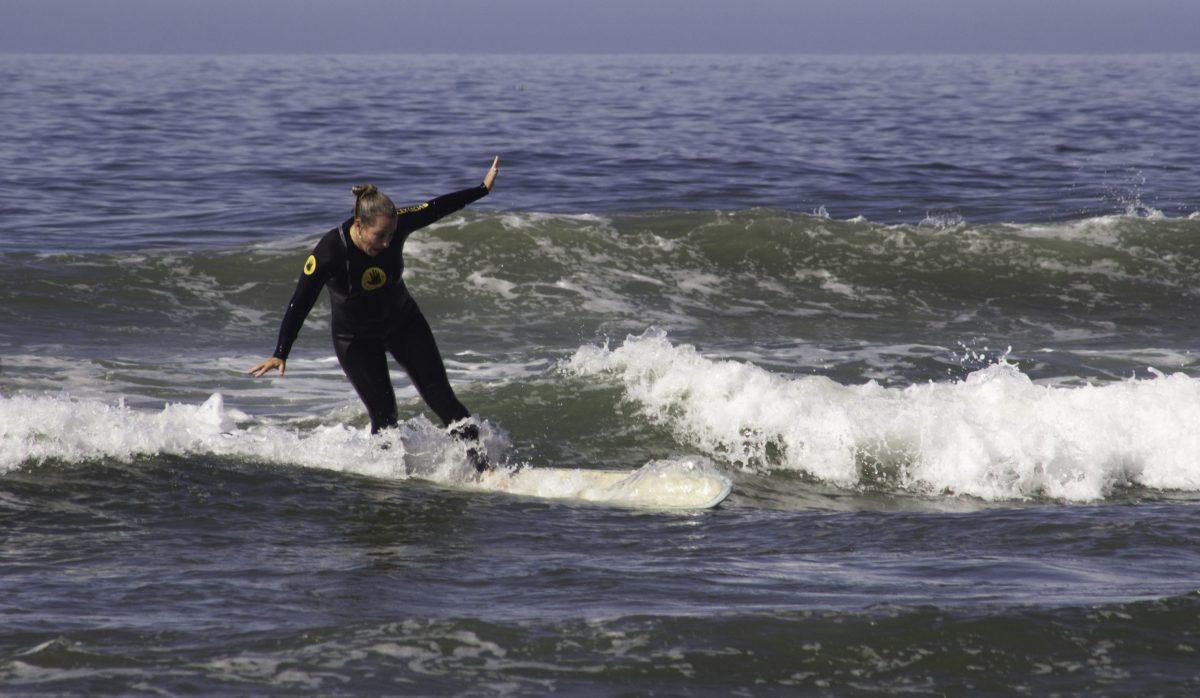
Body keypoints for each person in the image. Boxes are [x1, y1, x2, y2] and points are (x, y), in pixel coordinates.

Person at [249, 157, 500, 471]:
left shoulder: (395, 224)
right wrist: (281, 351)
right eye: (379, 236)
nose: (386, 243)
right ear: (358, 226)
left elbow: (434, 207)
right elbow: (300, 301)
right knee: (384, 413)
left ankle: (484, 468)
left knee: (441, 397)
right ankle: (387, 479)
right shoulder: (329, 253)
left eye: (390, 235)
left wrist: (481, 190)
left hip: (403, 321)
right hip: (355, 338)